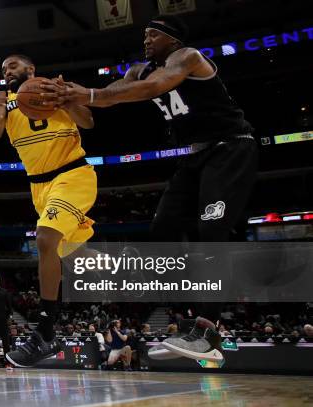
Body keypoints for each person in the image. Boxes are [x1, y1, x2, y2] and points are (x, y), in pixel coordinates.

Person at [40, 15, 257, 363]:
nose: (146, 40)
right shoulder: (137, 72)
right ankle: (187, 327)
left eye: (153, 34)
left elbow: (155, 87)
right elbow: (111, 97)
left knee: (212, 230)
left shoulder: (188, 57)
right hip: (194, 157)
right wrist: (67, 96)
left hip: (231, 147)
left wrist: (89, 93)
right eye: (144, 35)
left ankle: (208, 331)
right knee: (161, 233)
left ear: (172, 39)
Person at [0, 54, 97, 368]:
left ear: (31, 69)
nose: (6, 72)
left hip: (72, 174)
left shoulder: (52, 88)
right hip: (39, 187)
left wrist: (66, 100)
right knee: (71, 254)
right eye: (3, 69)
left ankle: (45, 329)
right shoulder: (5, 101)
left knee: (45, 239)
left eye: (12, 66)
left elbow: (88, 121)